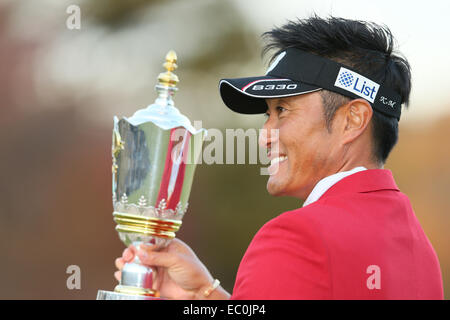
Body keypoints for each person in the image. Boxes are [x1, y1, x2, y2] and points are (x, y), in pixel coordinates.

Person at [115, 16, 443, 299]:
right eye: (267, 115)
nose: (264, 136)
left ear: (352, 120)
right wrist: (205, 294)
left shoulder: (297, 238)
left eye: (282, 111)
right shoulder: (422, 252)